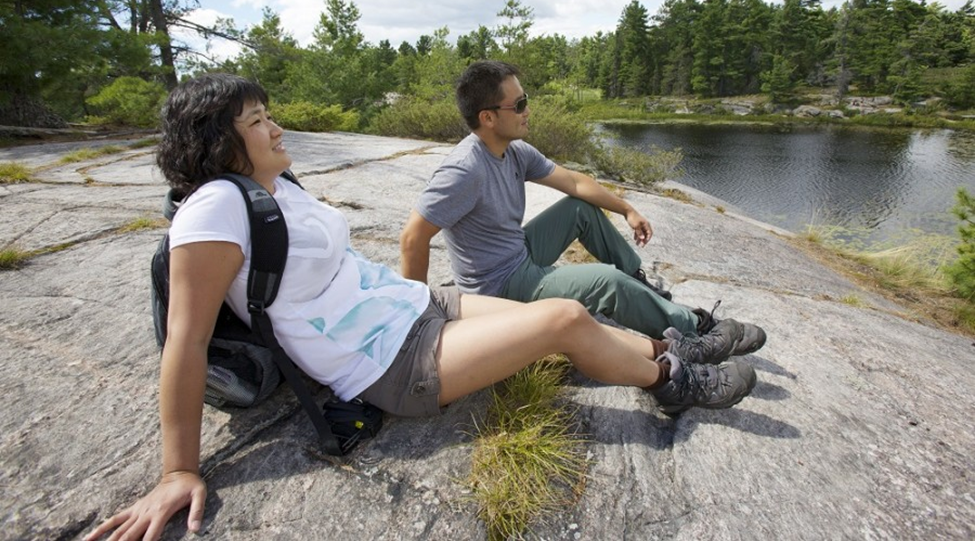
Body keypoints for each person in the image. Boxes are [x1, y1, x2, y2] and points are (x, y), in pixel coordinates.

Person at [86, 74, 757, 541]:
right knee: (563, 320)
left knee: (565, 328)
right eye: (258, 120)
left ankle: (671, 349)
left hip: (416, 306)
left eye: (269, 113)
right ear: (215, 139)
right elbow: (185, 339)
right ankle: (674, 384)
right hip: (388, 361)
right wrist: (178, 469)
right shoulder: (214, 208)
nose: (276, 125)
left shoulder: (274, 185)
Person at [400, 60, 766, 357]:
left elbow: (574, 182)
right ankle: (694, 330)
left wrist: (627, 209)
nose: (529, 111)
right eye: (520, 105)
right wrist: (418, 320)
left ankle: (642, 288)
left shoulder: (513, 151)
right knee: (605, 282)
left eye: (526, 99)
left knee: (580, 208)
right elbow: (413, 238)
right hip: (501, 285)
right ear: (488, 117)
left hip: (518, 253)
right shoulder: (465, 170)